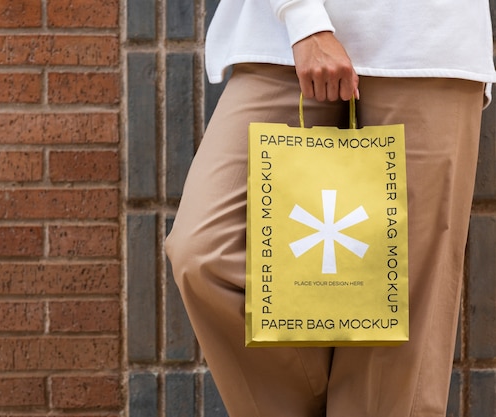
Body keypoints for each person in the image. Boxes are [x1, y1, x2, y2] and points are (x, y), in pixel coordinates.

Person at [164, 1, 496, 417]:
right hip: (281, 43)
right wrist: (304, 20)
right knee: (203, 254)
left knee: (400, 321)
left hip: (426, 44)